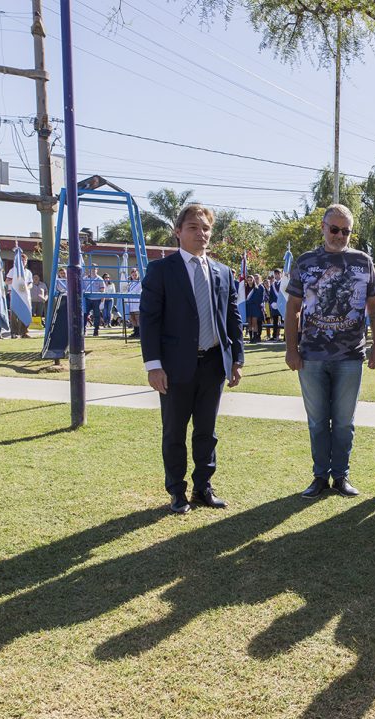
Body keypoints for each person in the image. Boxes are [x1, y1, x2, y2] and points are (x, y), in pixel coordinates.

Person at [140, 203, 244, 514]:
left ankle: (203, 488)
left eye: (206, 228)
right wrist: (153, 365)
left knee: (206, 432)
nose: (201, 234)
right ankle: (176, 491)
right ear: (178, 232)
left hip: (213, 364)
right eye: (193, 228)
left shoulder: (223, 272)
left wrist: (236, 359)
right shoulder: (161, 270)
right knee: (174, 431)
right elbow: (149, 319)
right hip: (174, 367)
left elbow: (233, 318)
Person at [285, 204, 375, 499]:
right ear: (323, 227)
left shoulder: (362, 261)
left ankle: (341, 476)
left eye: (346, 230)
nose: (340, 235)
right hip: (312, 355)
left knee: (344, 422)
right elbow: (293, 308)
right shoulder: (305, 262)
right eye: (335, 229)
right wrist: (291, 350)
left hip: (350, 356)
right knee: (317, 421)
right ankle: (319, 476)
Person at [83, 267, 105, 336]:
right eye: (91, 269)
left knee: (97, 315)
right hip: (87, 299)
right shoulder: (85, 278)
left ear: (97, 270)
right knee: (84, 315)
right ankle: (83, 330)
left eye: (94, 269)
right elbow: (82, 288)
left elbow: (102, 291)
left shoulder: (100, 279)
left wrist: (102, 301)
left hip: (97, 300)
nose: (92, 270)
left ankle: (96, 330)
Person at [244, 273, 265, 343]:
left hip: (255, 307)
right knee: (249, 323)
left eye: (251, 280)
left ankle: (255, 338)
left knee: (254, 323)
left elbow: (258, 299)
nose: (249, 281)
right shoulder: (246, 288)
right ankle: (251, 338)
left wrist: (250, 302)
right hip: (248, 307)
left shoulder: (256, 288)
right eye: (248, 280)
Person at [124, 268, 142, 338]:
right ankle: (136, 331)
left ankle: (140, 332)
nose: (134, 276)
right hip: (131, 303)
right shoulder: (130, 283)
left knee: (138, 318)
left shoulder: (140, 282)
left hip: (137, 302)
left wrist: (127, 293)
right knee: (132, 318)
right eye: (133, 275)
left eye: (135, 275)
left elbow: (134, 291)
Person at [267, 269, 283, 341]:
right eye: (275, 274)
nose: (277, 275)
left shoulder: (284, 283)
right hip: (275, 305)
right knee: (275, 322)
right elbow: (270, 296)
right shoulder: (272, 284)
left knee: (284, 321)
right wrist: (272, 303)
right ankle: (274, 336)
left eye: (278, 274)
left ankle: (286, 336)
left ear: (281, 274)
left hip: (283, 305)